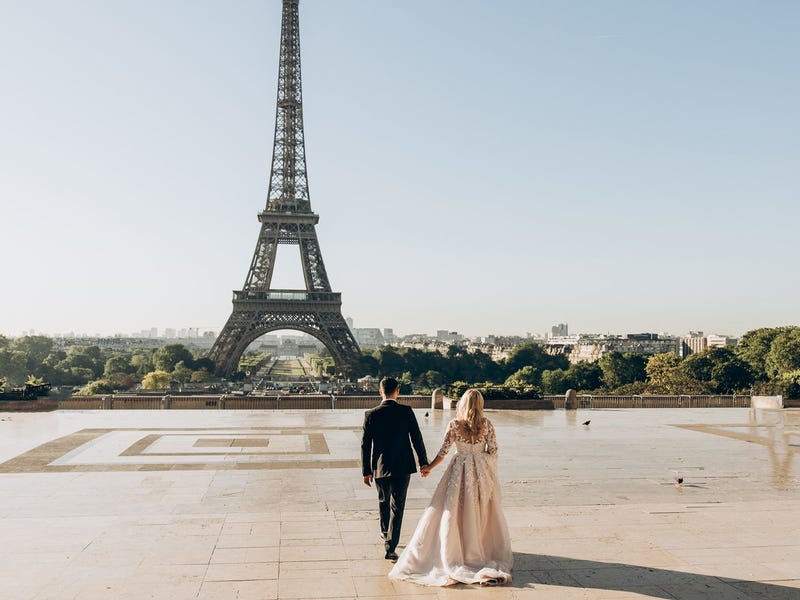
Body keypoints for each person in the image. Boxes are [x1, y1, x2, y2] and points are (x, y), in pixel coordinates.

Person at [389, 388, 513, 586]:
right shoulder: (486, 424)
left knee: (454, 510)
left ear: (463, 403)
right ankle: (477, 548)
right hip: (480, 472)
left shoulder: (455, 424)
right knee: (480, 510)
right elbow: (494, 450)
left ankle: (456, 549)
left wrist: (428, 467)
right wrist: (481, 462)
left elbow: (444, 451)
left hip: (459, 470)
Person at [361, 376, 429, 561]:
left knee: (383, 501)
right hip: (402, 465)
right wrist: (423, 462)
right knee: (398, 507)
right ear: (397, 390)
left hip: (381, 466)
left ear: (380, 392)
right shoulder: (406, 412)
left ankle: (385, 533)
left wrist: (366, 471)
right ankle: (391, 546)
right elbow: (417, 438)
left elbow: (365, 445)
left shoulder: (371, 414)